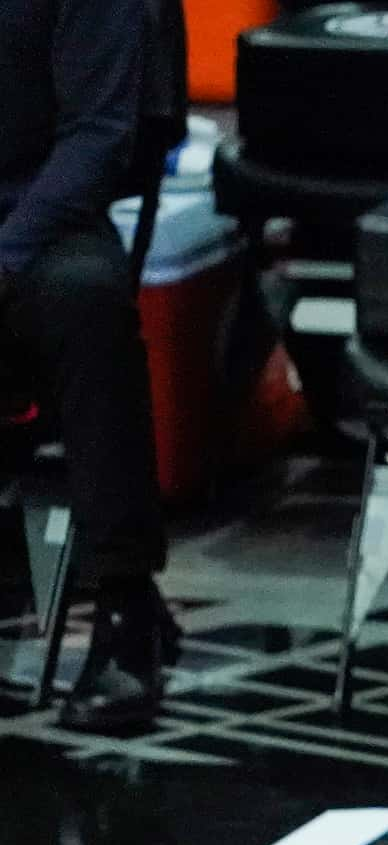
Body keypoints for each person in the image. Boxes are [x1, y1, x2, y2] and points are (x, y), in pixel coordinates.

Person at [0, 0, 180, 733]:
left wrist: (4, 259)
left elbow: (99, 138)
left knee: (88, 301)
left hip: (41, 220)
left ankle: (126, 603)